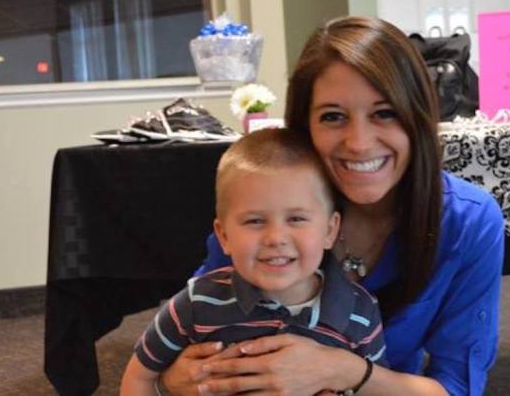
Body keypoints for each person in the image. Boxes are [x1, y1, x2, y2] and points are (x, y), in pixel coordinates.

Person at [157, 16, 505, 396]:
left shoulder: (467, 221)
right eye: (333, 117)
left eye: (384, 113)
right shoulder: (265, 207)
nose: (358, 143)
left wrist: (344, 371)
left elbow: (458, 387)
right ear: (303, 127)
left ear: (417, 118)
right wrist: (171, 382)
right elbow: (183, 342)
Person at [121, 128, 388, 396]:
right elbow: (140, 377)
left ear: (330, 231)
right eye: (255, 221)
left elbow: (375, 389)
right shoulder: (193, 305)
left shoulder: (361, 312)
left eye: (296, 218)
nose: (276, 238)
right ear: (224, 236)